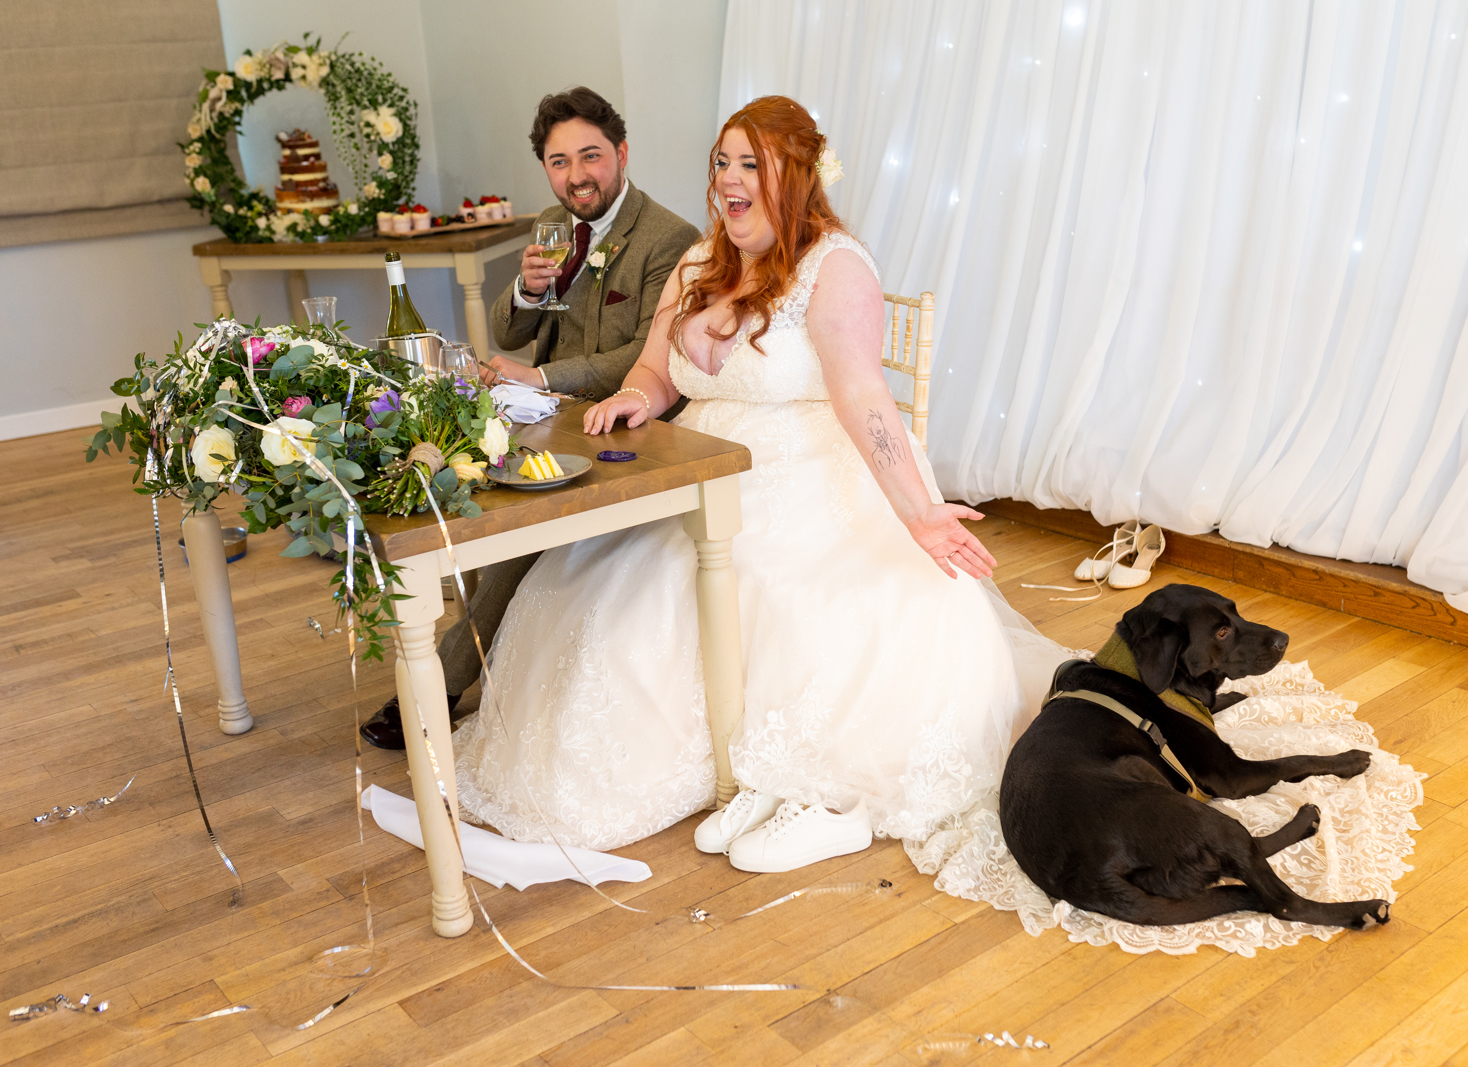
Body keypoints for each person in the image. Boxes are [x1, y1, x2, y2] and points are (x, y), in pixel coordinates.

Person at [448, 95, 1064, 874]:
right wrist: (637, 396)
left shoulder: (835, 268)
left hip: (810, 472)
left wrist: (919, 513)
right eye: (722, 162)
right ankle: (749, 778)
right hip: (700, 469)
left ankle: (816, 792)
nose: (728, 180)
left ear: (797, 175)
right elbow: (655, 368)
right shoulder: (699, 261)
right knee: (599, 586)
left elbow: (864, 397)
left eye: (751, 164)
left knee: (755, 592)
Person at [360, 86, 699, 749]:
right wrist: (527, 289)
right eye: (558, 161)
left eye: (591, 156)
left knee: (519, 529)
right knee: (453, 475)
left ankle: (440, 683)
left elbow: (644, 355)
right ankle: (466, 639)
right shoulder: (551, 222)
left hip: (623, 426)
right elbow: (508, 331)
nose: (577, 176)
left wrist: (541, 378)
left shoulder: (671, 239)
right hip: (543, 416)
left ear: (622, 153)